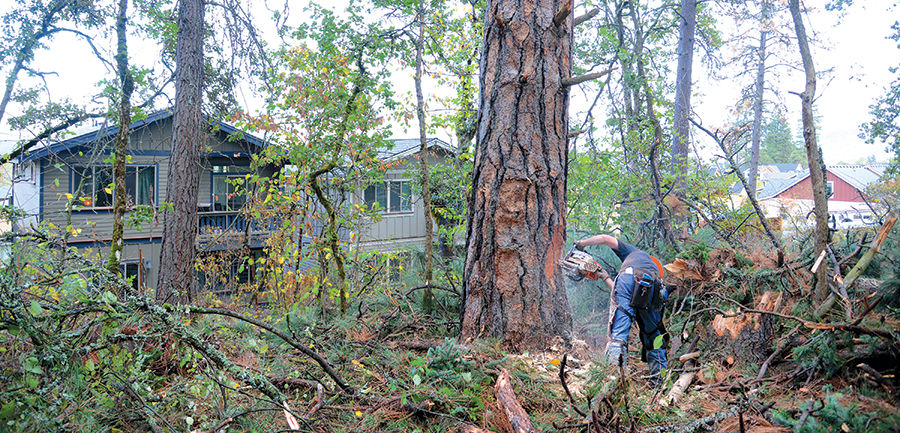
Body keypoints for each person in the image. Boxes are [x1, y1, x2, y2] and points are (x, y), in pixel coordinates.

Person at [574, 234, 668, 384]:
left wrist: (581, 244)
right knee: (653, 336)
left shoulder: (634, 253)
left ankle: (613, 378)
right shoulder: (654, 271)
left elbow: (606, 239)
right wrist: (604, 276)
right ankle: (659, 384)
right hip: (656, 288)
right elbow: (632, 292)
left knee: (619, 335)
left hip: (628, 278)